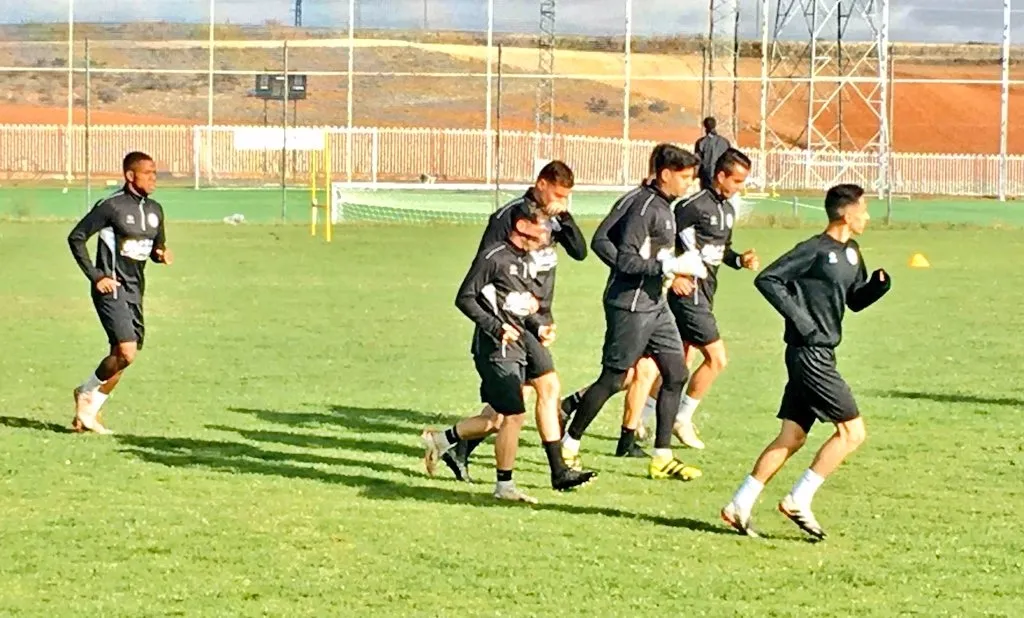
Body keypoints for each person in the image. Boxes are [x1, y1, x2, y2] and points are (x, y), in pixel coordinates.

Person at [720, 183, 891, 539]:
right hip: (809, 354)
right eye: (864, 209)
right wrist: (801, 321)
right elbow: (769, 280)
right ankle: (799, 498)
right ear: (846, 212)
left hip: (820, 352)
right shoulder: (813, 249)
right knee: (852, 432)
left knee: (793, 436)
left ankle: (739, 503)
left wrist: (877, 287)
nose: (868, 216)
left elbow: (855, 300)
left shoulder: (853, 252)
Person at [420, 200, 596, 502]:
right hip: (495, 347)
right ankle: (502, 484)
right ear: (523, 226)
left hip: (524, 340)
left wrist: (539, 326)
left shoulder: (527, 260)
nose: (545, 231)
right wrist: (495, 326)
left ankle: (447, 441)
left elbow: (520, 303)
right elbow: (465, 298)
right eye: (540, 225)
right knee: (511, 416)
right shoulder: (493, 257)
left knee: (518, 406)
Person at [559, 144, 705, 481]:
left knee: (676, 372)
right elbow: (622, 257)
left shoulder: (664, 205)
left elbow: (606, 242)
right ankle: (569, 442)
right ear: (665, 174)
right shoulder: (644, 207)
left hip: (656, 305)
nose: (689, 184)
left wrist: (671, 269)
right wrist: (668, 265)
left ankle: (662, 457)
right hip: (632, 305)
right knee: (614, 378)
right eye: (684, 177)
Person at [67, 151, 172, 434]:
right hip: (111, 288)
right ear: (130, 175)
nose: (153, 178)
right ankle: (86, 394)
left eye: (155, 173)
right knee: (127, 352)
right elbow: (76, 238)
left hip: (136, 291)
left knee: (123, 356)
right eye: (147, 173)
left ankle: (86, 413)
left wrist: (160, 254)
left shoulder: (155, 210)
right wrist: (96, 275)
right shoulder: (110, 206)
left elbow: (153, 248)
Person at [667, 148, 759, 450]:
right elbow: (663, 241)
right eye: (737, 180)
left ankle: (643, 417)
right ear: (721, 176)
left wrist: (739, 260)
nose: (740, 187)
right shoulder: (690, 206)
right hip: (688, 292)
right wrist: (674, 277)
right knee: (717, 358)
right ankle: (682, 417)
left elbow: (721, 251)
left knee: (674, 362)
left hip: (707, 293)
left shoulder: (728, 210)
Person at [694, 116, 730, 191]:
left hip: (705, 176)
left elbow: (697, 160)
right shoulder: (725, 142)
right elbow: (728, 159)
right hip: (719, 175)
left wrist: (694, 174)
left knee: (706, 196)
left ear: (704, 126)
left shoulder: (701, 142)